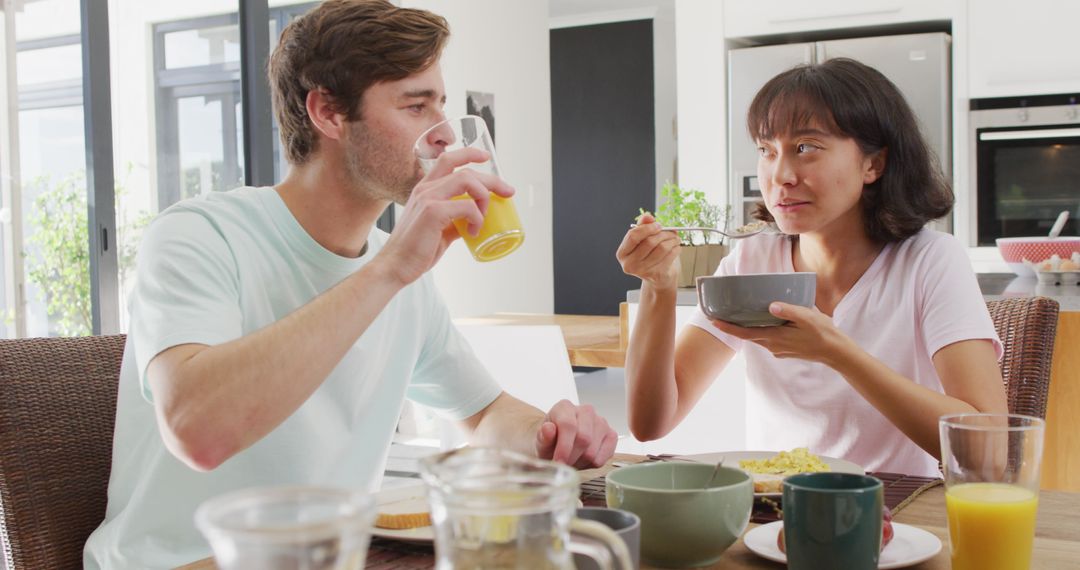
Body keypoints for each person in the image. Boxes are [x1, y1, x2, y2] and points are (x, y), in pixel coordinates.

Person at [84, 1, 617, 567]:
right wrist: (387, 273)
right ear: (328, 114)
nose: (441, 136)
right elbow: (198, 432)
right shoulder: (199, 234)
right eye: (415, 107)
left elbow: (484, 415)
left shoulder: (399, 270)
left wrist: (544, 436)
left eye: (440, 104)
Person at [616, 58, 1007, 478]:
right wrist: (659, 285)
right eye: (767, 151)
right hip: (774, 513)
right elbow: (651, 423)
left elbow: (987, 453)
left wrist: (837, 353)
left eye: (805, 148)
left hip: (897, 511)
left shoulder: (929, 261)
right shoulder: (752, 261)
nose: (780, 175)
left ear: (873, 164)